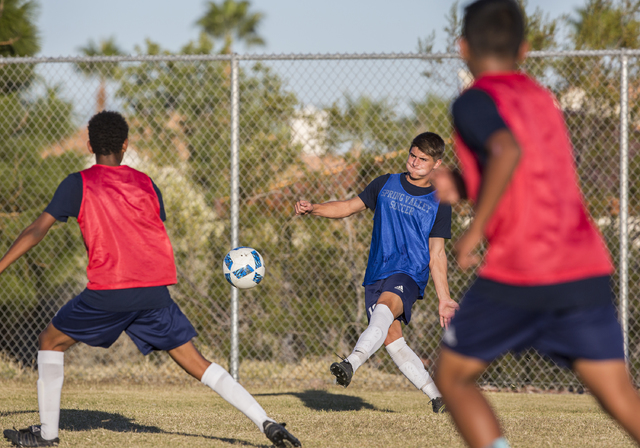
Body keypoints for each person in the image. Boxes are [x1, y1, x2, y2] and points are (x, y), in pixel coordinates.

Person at [1, 111, 301, 448]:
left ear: (89, 145)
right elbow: (151, 228)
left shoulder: (78, 183)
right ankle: (266, 421)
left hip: (110, 290)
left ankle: (47, 434)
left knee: (50, 342)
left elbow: (37, 229)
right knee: (196, 362)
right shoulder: (147, 183)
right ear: (125, 145)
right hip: (153, 292)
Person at [431, 1, 640, 447]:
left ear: (462, 47)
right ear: (524, 50)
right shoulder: (541, 97)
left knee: (453, 377)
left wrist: (472, 231)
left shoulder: (474, 101)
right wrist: (467, 183)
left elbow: (506, 151)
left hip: (521, 269)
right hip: (582, 267)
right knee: (620, 397)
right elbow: (525, 170)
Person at [295, 132, 459, 414]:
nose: (415, 162)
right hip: (377, 272)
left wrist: (444, 298)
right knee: (392, 340)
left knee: (384, 310)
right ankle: (438, 397)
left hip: (408, 273)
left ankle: (351, 363)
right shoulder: (385, 183)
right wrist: (315, 209)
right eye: (413, 155)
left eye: (423, 159)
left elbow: (437, 254)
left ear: (436, 163)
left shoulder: (439, 201)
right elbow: (348, 206)